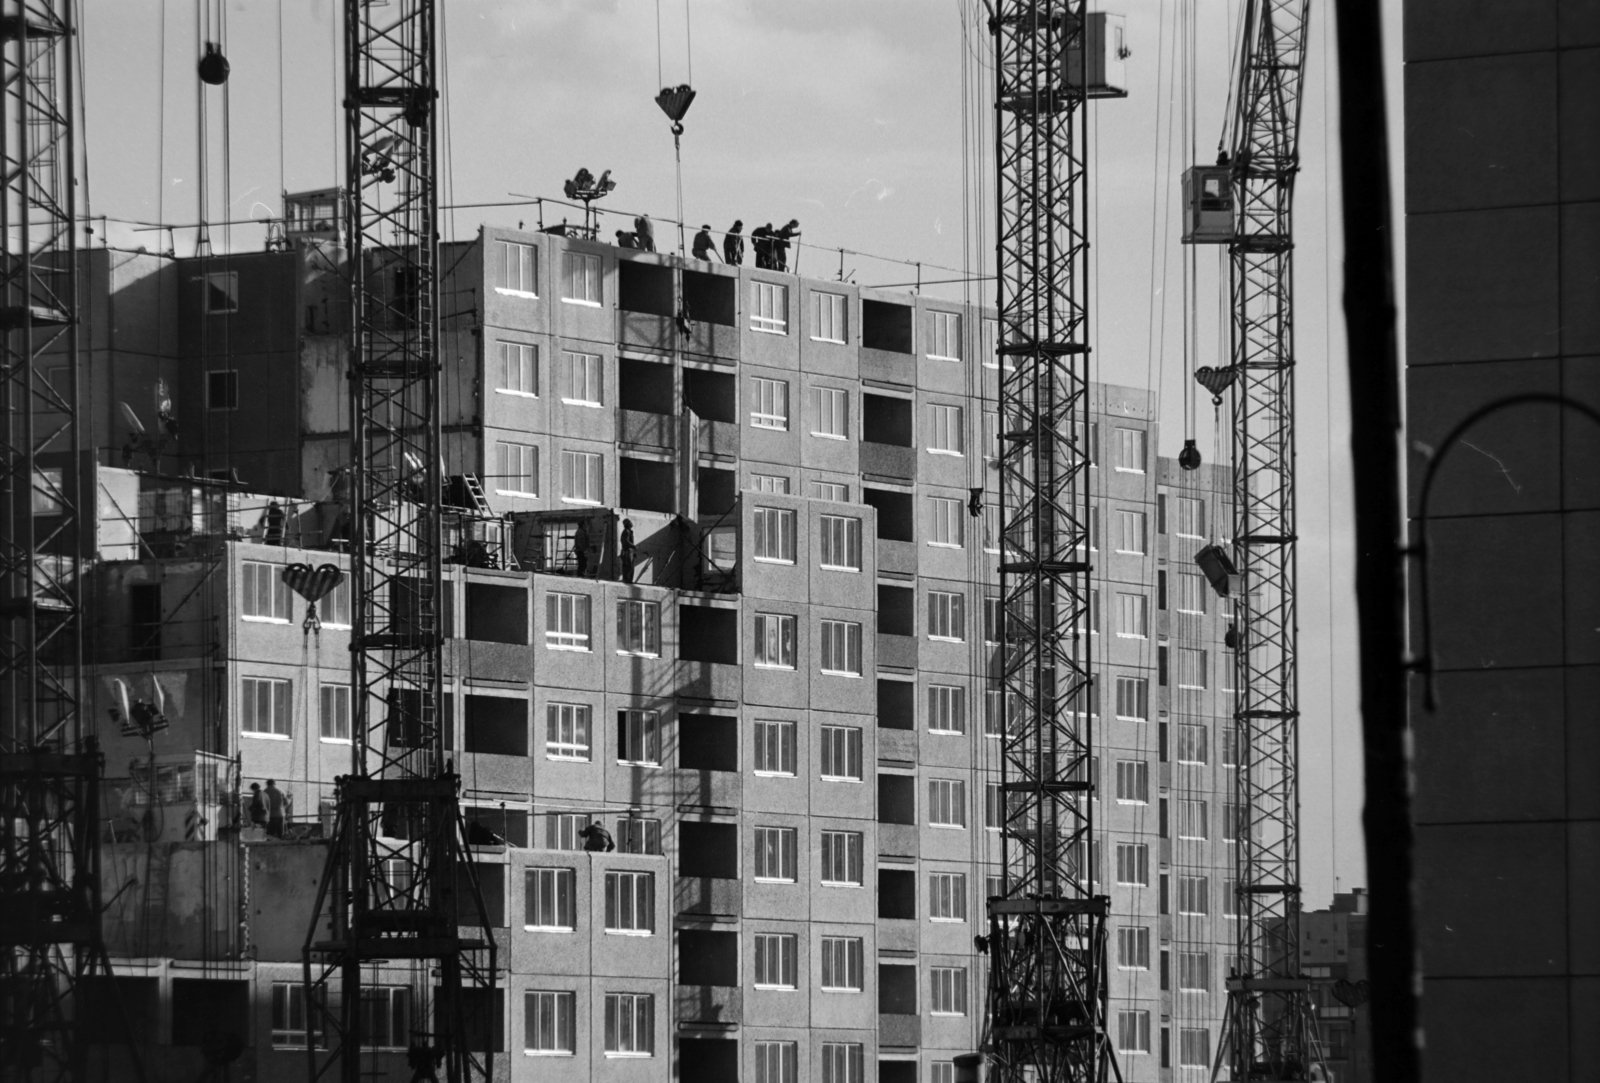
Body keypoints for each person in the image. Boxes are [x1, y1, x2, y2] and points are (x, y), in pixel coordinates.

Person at [619, 519, 637, 584]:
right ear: (628, 524)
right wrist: (633, 546)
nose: (631, 523)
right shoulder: (626, 531)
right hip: (627, 552)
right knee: (628, 567)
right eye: (630, 522)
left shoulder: (629, 531)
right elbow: (626, 541)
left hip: (630, 552)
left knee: (630, 567)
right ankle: (627, 580)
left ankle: (629, 580)